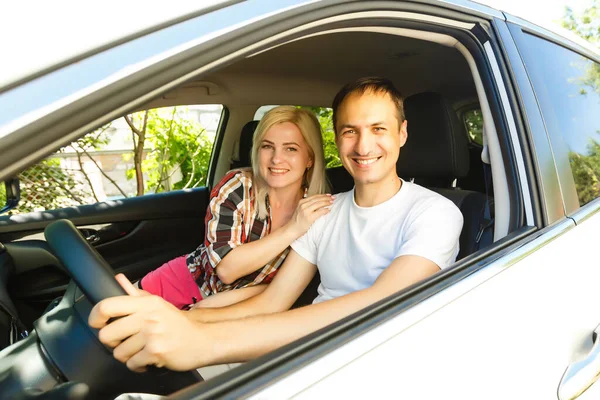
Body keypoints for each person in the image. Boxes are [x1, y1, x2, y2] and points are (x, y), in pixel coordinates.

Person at [89, 77, 463, 373]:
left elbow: (376, 305)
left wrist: (204, 340)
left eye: (379, 129)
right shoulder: (324, 211)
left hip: (367, 353)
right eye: (350, 131)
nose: (363, 146)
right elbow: (274, 299)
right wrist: (188, 320)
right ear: (337, 139)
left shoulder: (435, 213)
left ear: (402, 134)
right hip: (305, 345)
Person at [138, 106, 331, 310]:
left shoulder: (319, 211)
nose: (276, 159)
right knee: (110, 314)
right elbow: (227, 270)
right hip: (180, 283)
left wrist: (212, 306)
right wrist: (293, 228)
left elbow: (281, 290)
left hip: (236, 307)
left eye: (291, 148)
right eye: (267, 146)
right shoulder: (238, 187)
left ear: (310, 158)